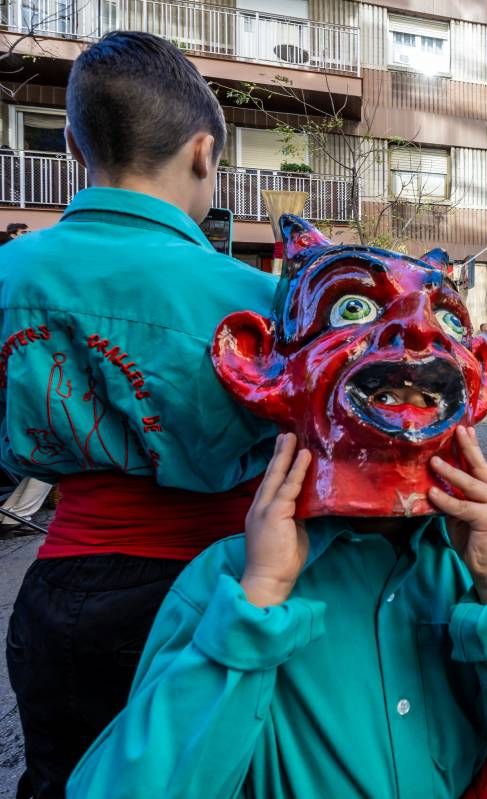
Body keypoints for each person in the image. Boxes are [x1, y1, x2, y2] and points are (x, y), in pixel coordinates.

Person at [69, 220, 487, 796]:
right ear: (255, 366)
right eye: (352, 308)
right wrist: (256, 604)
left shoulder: (474, 564)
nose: (419, 329)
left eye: (448, 319)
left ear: (478, 377)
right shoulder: (226, 583)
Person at [0, 32, 280, 798]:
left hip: (61, 594)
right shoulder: (259, 300)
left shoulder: (8, 272)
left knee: (62, 779)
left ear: (73, 142)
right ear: (201, 153)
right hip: (220, 585)